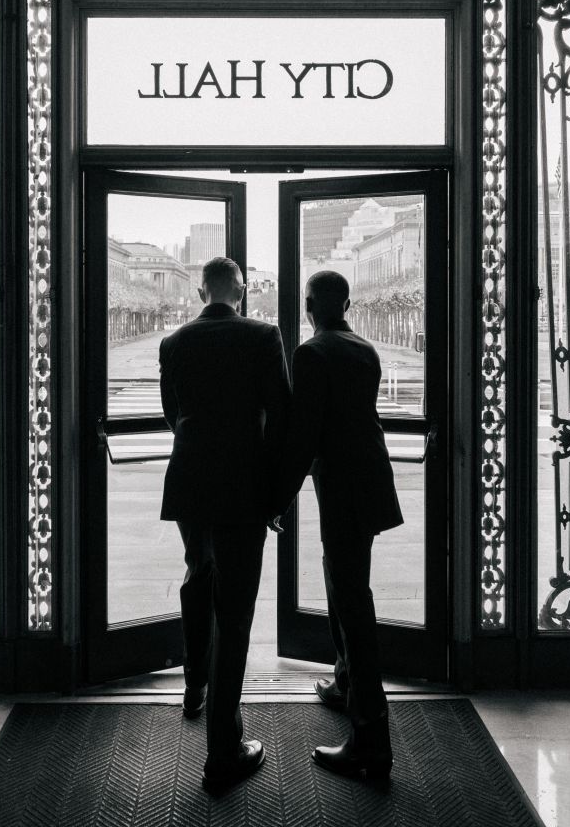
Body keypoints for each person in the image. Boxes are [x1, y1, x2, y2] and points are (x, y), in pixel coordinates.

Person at [159, 256, 290, 793]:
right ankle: (223, 749)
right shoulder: (263, 335)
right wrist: (276, 496)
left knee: (198, 576)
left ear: (200, 293)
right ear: (242, 291)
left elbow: (172, 415)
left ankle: (195, 685)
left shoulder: (175, 343)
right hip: (242, 488)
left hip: (190, 480)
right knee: (235, 613)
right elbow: (280, 413)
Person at [278, 269, 403, 780]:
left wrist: (277, 497)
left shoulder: (311, 353)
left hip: (343, 487)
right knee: (346, 583)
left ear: (309, 305)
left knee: (351, 601)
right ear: (347, 304)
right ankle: (346, 683)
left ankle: (371, 738)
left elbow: (305, 435)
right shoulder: (364, 348)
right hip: (371, 480)